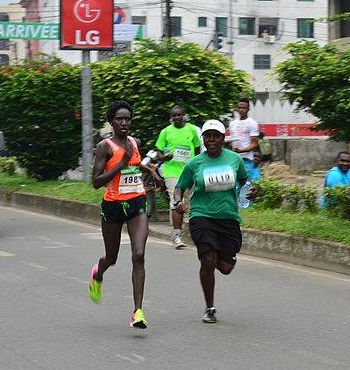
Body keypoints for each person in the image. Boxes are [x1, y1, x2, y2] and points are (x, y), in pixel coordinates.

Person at [88, 100, 161, 329]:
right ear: (111, 122)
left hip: (136, 203)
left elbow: (135, 164)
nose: (123, 122)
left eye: (127, 119)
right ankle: (98, 273)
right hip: (113, 207)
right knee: (112, 258)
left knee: (138, 255)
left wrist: (151, 171)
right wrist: (119, 162)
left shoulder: (134, 143)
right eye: (119, 119)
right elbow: (96, 182)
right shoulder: (105, 147)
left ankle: (137, 312)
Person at [173, 120, 249, 323]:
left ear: (223, 139)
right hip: (202, 216)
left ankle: (216, 258)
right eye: (208, 136)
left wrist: (250, 190)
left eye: (216, 136)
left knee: (224, 267)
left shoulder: (235, 159)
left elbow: (244, 181)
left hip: (229, 218)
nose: (212, 140)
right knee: (207, 260)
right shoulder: (194, 163)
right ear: (203, 139)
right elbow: (180, 187)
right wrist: (178, 201)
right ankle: (210, 308)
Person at [155, 104, 201, 249]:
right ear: (171, 117)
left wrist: (197, 166)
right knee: (176, 202)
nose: (176, 118)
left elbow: (198, 148)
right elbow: (159, 152)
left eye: (179, 115)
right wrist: (165, 158)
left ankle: (190, 233)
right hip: (172, 172)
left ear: (183, 115)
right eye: (174, 115)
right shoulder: (165, 132)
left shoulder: (192, 130)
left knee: (188, 203)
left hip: (189, 172)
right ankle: (176, 236)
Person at [229, 97, 261, 181]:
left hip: (246, 159)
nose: (241, 110)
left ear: (248, 109)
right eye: (239, 108)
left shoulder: (252, 123)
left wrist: (241, 150)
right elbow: (232, 141)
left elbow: (254, 144)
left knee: (249, 185)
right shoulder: (233, 124)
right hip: (234, 160)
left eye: (244, 108)